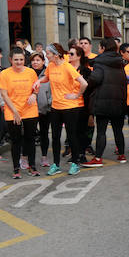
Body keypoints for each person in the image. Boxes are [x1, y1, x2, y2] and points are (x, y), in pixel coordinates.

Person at [41, 43, 87, 175]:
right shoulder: (51, 65)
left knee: (71, 135)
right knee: (55, 137)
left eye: (48, 53)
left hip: (69, 107)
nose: (46, 55)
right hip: (56, 107)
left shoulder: (67, 66)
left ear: (55, 54)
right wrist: (39, 81)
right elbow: (46, 77)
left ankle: (75, 163)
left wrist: (77, 95)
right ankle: (56, 165)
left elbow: (84, 83)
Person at [83, 38, 127, 167]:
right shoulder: (120, 62)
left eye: (99, 47)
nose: (98, 50)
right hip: (119, 101)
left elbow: (95, 79)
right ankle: (122, 155)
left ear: (103, 48)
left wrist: (87, 80)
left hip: (103, 101)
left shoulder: (99, 62)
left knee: (101, 131)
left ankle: (97, 158)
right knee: (118, 130)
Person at [0, 47, 40, 179]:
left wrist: (34, 94)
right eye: (16, 60)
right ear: (10, 60)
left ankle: (32, 166)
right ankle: (16, 168)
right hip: (12, 110)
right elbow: (4, 95)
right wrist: (15, 112)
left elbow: (36, 88)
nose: (19, 62)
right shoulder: (5, 74)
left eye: (21, 59)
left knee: (30, 140)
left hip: (30, 109)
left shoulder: (31, 72)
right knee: (15, 141)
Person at [31, 52, 52, 167]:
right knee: (30, 135)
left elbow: (52, 89)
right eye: (33, 60)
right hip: (30, 110)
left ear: (43, 61)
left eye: (38, 60)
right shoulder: (28, 73)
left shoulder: (48, 73)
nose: (35, 62)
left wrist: (49, 104)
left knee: (44, 134)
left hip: (45, 110)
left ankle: (44, 157)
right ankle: (28, 158)